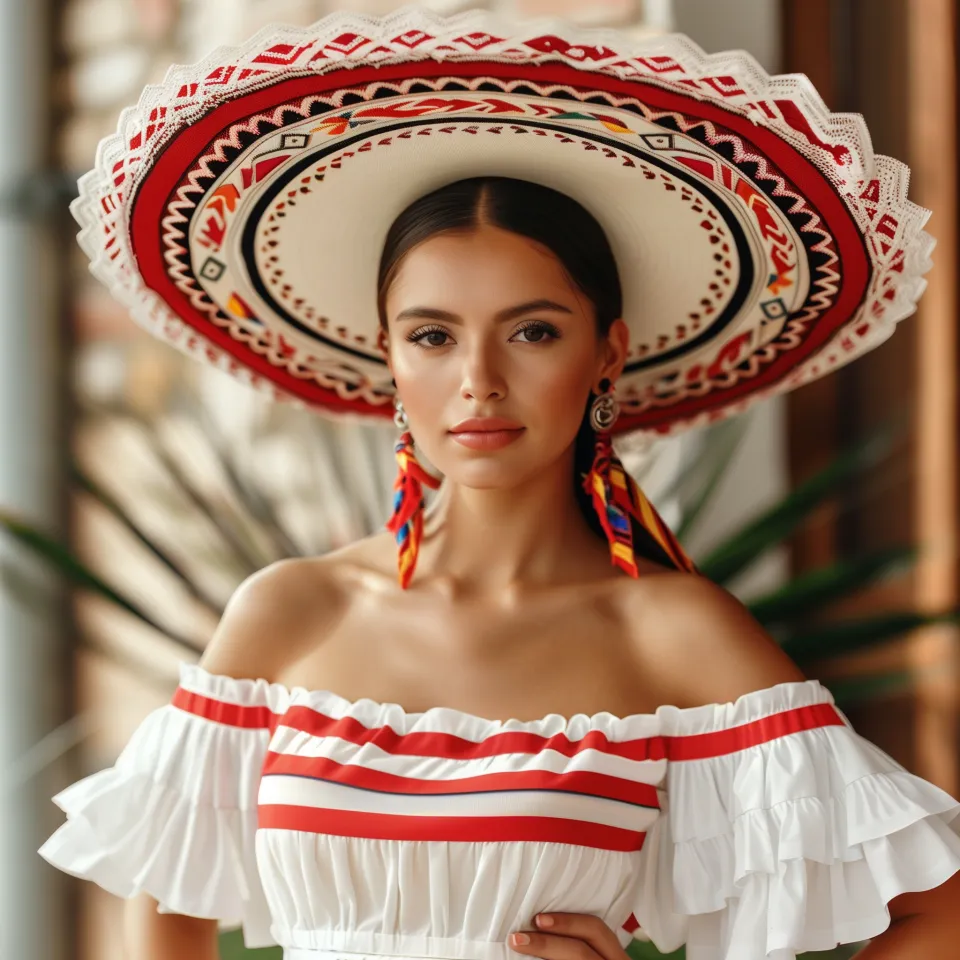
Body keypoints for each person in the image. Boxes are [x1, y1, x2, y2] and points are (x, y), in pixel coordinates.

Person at [38, 8, 960, 960]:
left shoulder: (671, 631)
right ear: (388, 356)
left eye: (533, 331)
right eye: (433, 336)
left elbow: (941, 912)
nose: (478, 379)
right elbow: (167, 899)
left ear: (608, 354)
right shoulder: (290, 614)